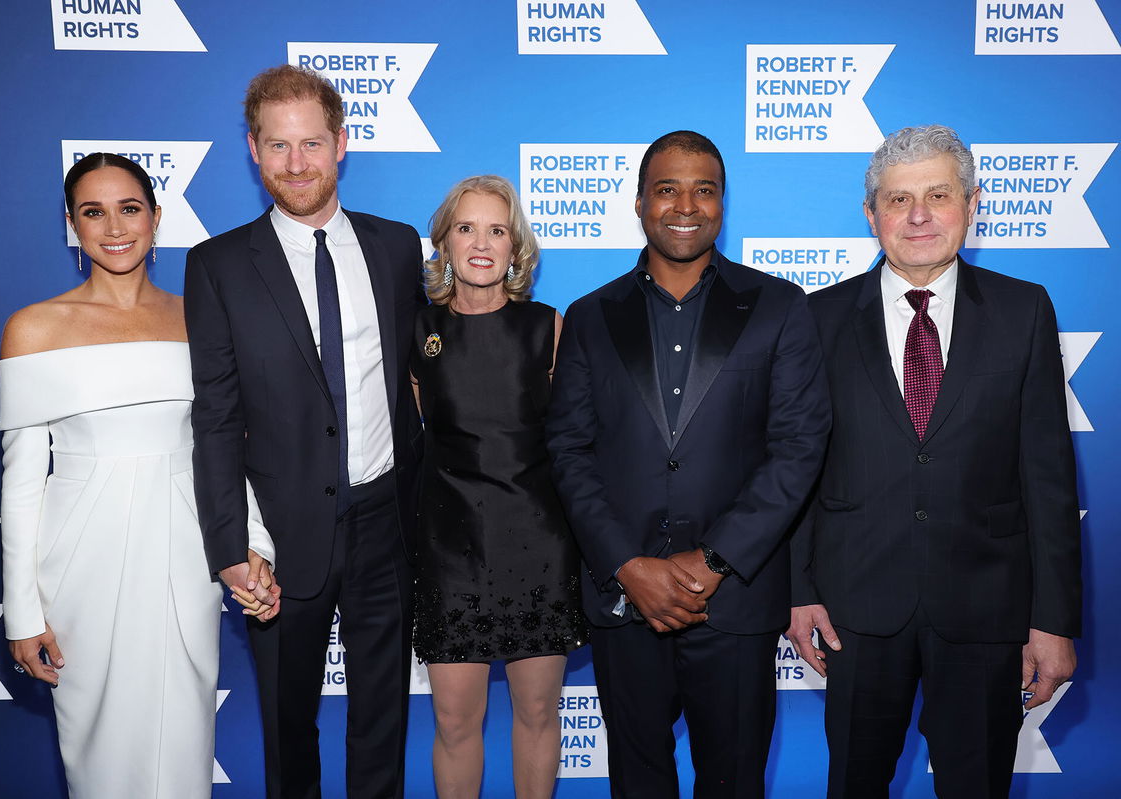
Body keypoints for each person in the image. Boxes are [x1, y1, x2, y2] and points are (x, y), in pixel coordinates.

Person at [787, 124, 1082, 799]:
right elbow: (796, 467)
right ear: (871, 214)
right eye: (898, 199)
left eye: (938, 195)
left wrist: (1054, 620)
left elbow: (1048, 476)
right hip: (855, 610)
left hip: (987, 610)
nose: (918, 216)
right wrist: (799, 589)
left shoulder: (1024, 310)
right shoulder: (815, 318)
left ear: (972, 204)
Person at [546, 130, 831, 798]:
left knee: (734, 781)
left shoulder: (779, 306)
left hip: (735, 600)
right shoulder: (590, 316)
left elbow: (798, 446)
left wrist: (713, 561)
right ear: (639, 202)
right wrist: (626, 564)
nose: (685, 205)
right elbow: (568, 449)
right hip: (626, 601)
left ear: (722, 203)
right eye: (667, 189)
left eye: (704, 190)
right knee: (637, 782)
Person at [0, 153, 278, 799]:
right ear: (71, 224)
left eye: (129, 208)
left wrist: (253, 543)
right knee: (99, 751)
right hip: (80, 566)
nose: (115, 226)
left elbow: (222, 449)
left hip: (186, 556)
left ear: (155, 216)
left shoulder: (201, 319)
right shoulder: (33, 328)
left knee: (183, 743)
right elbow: (21, 486)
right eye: (93, 212)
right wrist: (21, 613)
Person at [184, 65, 424, 799]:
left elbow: (424, 377)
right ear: (254, 151)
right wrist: (232, 546)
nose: (296, 164)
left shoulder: (397, 247)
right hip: (280, 538)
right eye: (278, 145)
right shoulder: (218, 265)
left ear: (341, 144)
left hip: (386, 522)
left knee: (383, 720)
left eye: (312, 143)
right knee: (287, 727)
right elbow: (216, 416)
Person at [411, 175, 587, 799]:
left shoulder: (547, 327)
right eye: (466, 228)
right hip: (448, 551)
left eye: (497, 230)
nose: (481, 243)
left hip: (537, 545)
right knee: (455, 721)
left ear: (516, 248)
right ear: (444, 243)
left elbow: (574, 443)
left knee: (537, 714)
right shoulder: (418, 331)